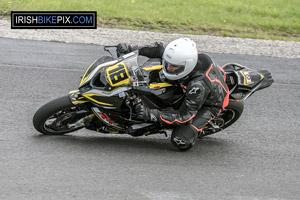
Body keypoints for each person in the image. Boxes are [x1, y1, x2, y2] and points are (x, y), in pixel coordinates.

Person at [117, 38, 229, 151]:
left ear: (187, 65)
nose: (169, 68)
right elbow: (158, 49)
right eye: (168, 64)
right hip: (192, 84)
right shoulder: (182, 58)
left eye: (174, 66)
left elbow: (184, 116)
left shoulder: (197, 86)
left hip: (211, 104)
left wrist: (152, 114)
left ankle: (193, 131)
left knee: (179, 140)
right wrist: (131, 49)